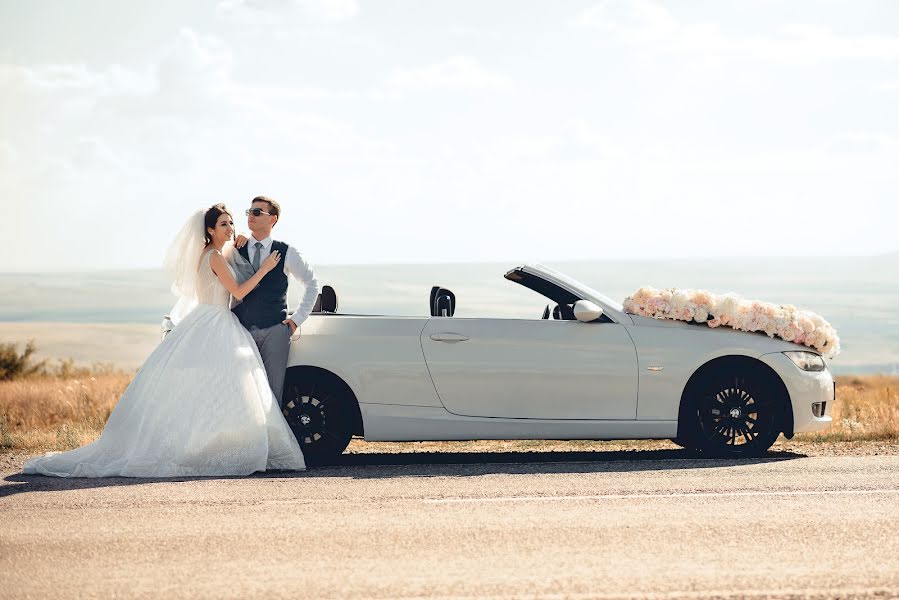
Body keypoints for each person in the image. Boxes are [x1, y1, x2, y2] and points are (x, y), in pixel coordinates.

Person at [23, 205, 306, 477]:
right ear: (209, 229)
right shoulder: (216, 257)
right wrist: (266, 268)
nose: (231, 227)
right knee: (230, 389)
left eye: (232, 222)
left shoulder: (213, 253)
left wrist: (240, 241)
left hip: (207, 321)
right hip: (217, 323)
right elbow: (240, 292)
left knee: (210, 391)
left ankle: (217, 444)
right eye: (224, 224)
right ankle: (229, 448)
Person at [230, 196, 319, 406]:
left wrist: (296, 319)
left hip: (275, 331)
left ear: (273, 219)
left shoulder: (287, 252)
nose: (251, 216)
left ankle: (271, 438)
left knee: (272, 391)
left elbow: (312, 284)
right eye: (249, 211)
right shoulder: (235, 248)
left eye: (257, 212)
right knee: (240, 390)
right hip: (240, 330)